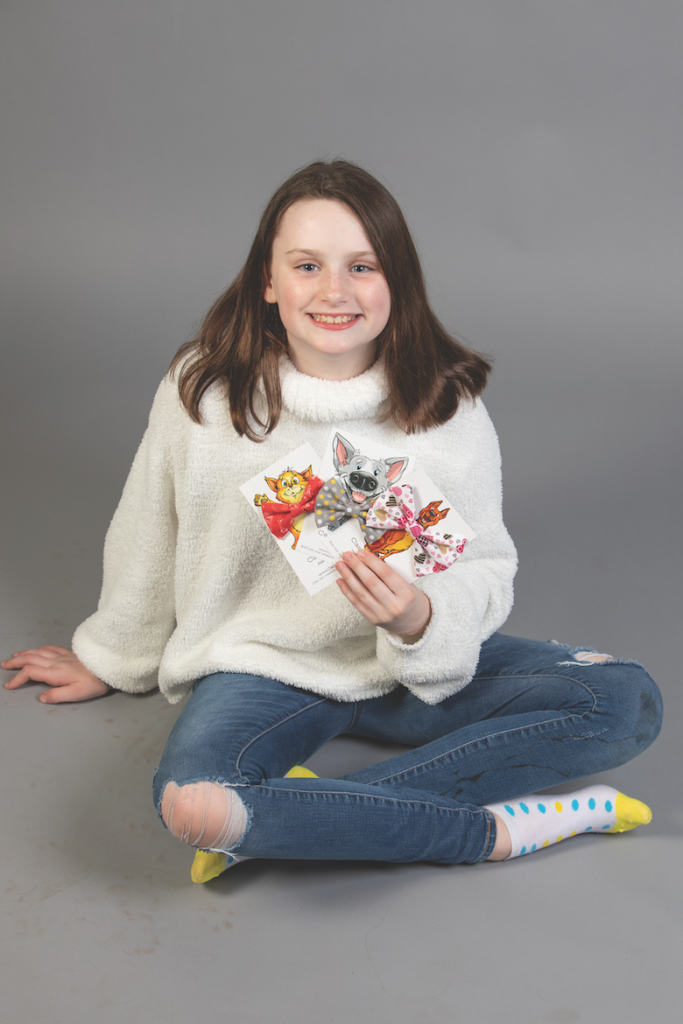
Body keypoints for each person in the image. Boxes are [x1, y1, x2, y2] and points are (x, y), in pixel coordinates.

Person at [2, 160, 662, 880]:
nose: (334, 292)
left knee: (624, 701)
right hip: (262, 668)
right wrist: (111, 655)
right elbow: (149, 527)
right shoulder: (206, 389)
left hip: (412, 672)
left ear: (396, 281)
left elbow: (486, 564)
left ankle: (281, 819)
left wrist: (419, 619)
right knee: (191, 800)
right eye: (307, 265)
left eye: (362, 266)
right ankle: (494, 831)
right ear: (268, 280)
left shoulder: (446, 405)